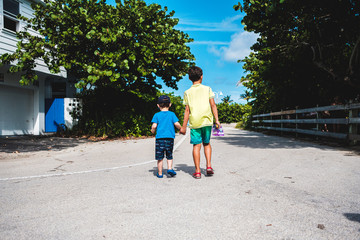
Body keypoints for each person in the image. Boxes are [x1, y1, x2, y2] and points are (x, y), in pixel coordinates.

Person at [179, 66, 221, 179]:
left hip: (195, 123)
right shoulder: (207, 89)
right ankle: (208, 167)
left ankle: (197, 171)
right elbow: (213, 105)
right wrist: (216, 120)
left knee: (196, 146)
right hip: (207, 121)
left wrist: (183, 127)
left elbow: (187, 110)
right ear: (201, 76)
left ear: (189, 78)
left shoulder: (187, 92)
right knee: (206, 143)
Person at [151, 95, 181, 178]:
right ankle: (170, 168)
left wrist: (152, 130)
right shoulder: (172, 114)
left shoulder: (156, 115)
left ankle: (160, 173)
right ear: (170, 104)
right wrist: (181, 129)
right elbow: (176, 124)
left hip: (160, 139)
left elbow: (154, 126)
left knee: (160, 157)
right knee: (169, 155)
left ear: (158, 105)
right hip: (169, 138)